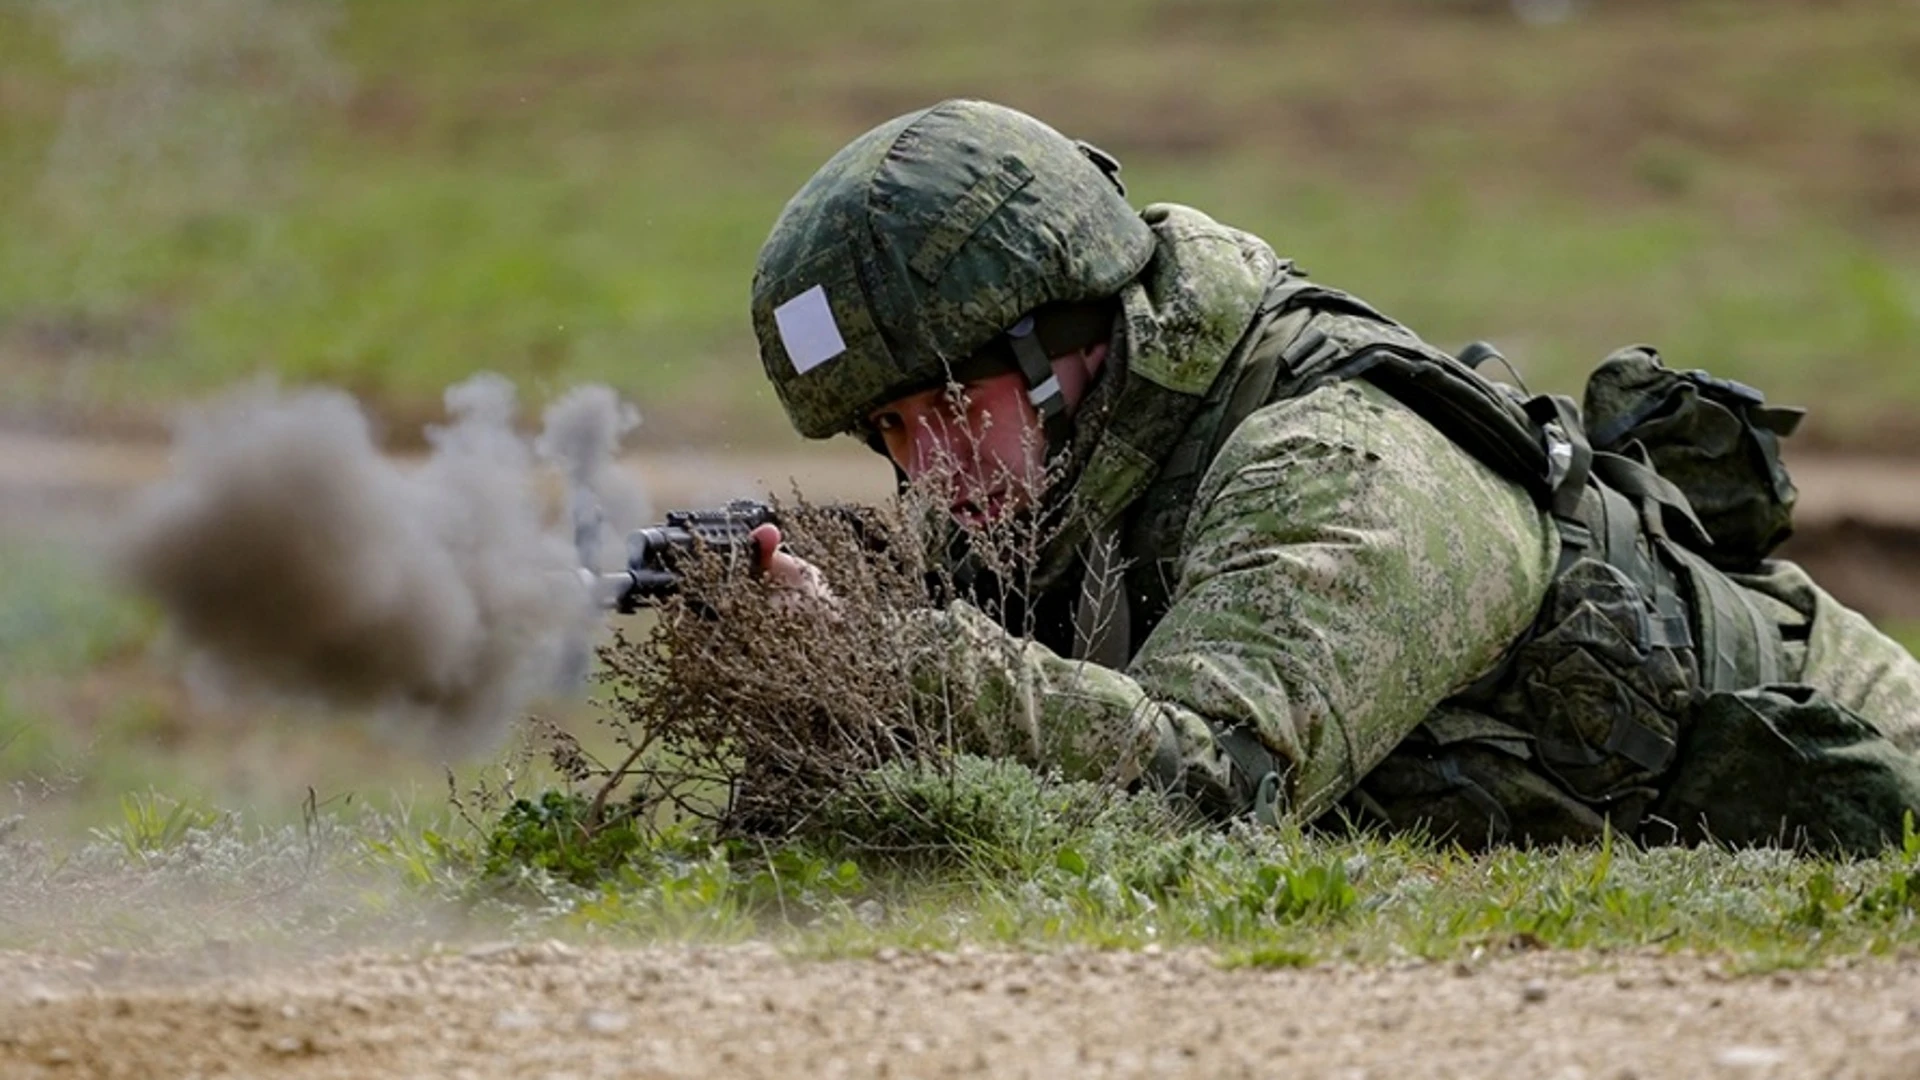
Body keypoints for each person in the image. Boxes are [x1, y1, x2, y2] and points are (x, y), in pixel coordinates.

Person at [742, 98, 1920, 852]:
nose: (927, 469)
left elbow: (1215, 794)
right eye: (888, 432)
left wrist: (889, 663)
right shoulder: (1058, 479)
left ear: (1060, 343)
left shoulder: (1334, 459)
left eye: (946, 405)